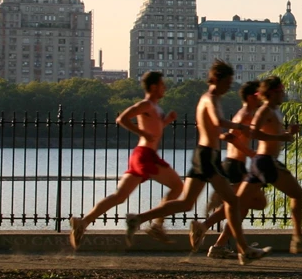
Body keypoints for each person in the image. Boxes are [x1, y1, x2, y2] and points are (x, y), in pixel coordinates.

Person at [125, 60, 268, 265]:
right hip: (208, 155)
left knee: (186, 203)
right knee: (234, 201)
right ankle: (243, 249)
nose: (230, 86)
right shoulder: (210, 99)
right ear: (217, 79)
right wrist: (240, 127)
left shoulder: (209, 98)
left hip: (203, 154)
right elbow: (218, 122)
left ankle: (138, 218)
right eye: (227, 81)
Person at [69, 70, 182, 250]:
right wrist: (141, 132)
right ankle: (157, 225)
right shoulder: (145, 104)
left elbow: (155, 129)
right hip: (145, 155)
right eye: (162, 85)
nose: (165, 88)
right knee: (178, 186)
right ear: (153, 87)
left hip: (142, 155)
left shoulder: (155, 107)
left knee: (119, 197)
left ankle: (83, 222)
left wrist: (166, 121)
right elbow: (122, 118)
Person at [236, 75, 302, 254]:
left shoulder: (274, 111)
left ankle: (214, 237)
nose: (283, 94)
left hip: (262, 162)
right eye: (281, 91)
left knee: (237, 203)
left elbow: (275, 134)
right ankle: (298, 239)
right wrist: (279, 136)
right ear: (272, 93)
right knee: (298, 194)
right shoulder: (265, 110)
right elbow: (253, 133)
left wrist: (287, 133)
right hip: (266, 162)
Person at [189, 79, 268, 256]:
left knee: (244, 206)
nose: (261, 99)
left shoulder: (247, 115)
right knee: (249, 203)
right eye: (258, 96)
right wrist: (250, 152)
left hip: (237, 165)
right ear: (250, 97)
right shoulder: (245, 115)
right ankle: (206, 229)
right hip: (234, 166)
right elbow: (230, 137)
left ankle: (218, 245)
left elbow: (228, 136)